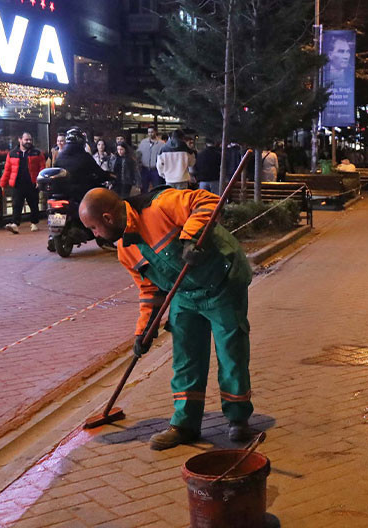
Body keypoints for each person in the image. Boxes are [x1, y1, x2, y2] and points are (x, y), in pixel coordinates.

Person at [78, 187, 256, 450]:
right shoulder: (126, 251)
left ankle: (238, 418)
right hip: (185, 295)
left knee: (231, 352)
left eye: (93, 228)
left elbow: (207, 200)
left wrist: (191, 237)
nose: (94, 235)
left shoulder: (160, 205)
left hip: (222, 283)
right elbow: (150, 290)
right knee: (186, 358)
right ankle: (185, 424)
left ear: (107, 218)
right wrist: (144, 332)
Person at [0, 132, 46, 233]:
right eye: (26, 140)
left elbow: (42, 167)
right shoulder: (12, 153)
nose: (28, 142)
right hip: (18, 183)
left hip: (32, 183)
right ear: (20, 140)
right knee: (16, 204)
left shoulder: (37, 152)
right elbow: (7, 169)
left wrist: (40, 180)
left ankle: (34, 223)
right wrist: (3, 183)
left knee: (33, 204)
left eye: (30, 140)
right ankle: (15, 224)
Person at [54, 128, 114, 201]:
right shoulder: (85, 157)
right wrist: (109, 176)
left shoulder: (60, 156)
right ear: (82, 142)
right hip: (81, 194)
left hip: (63, 193)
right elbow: (99, 172)